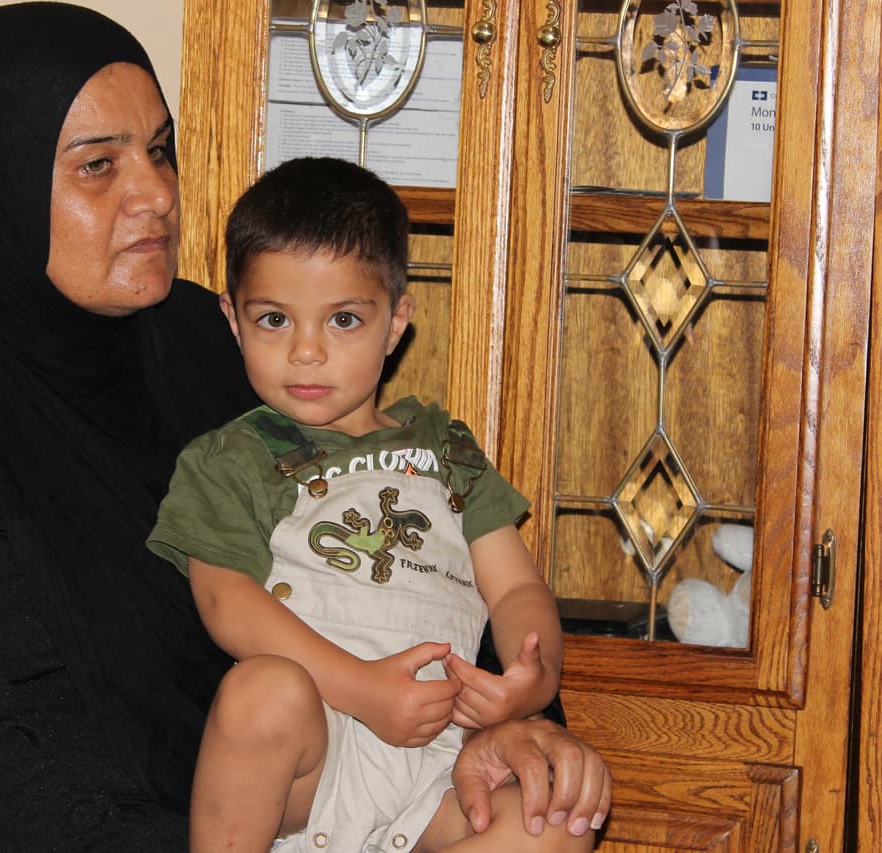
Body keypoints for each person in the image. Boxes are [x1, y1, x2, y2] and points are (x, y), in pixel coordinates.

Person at [0, 4, 611, 851]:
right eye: (99, 165)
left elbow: (422, 538)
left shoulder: (205, 346)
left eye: (160, 150)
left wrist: (503, 726)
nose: (158, 195)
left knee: (550, 818)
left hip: (298, 800)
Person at [147, 157, 600, 852]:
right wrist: (362, 689)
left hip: (440, 762)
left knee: (560, 821)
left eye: (344, 320)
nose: (306, 351)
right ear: (233, 322)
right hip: (313, 756)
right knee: (260, 693)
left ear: (395, 324)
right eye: (274, 319)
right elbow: (225, 601)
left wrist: (531, 678)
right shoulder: (233, 457)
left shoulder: (447, 449)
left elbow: (515, 587)